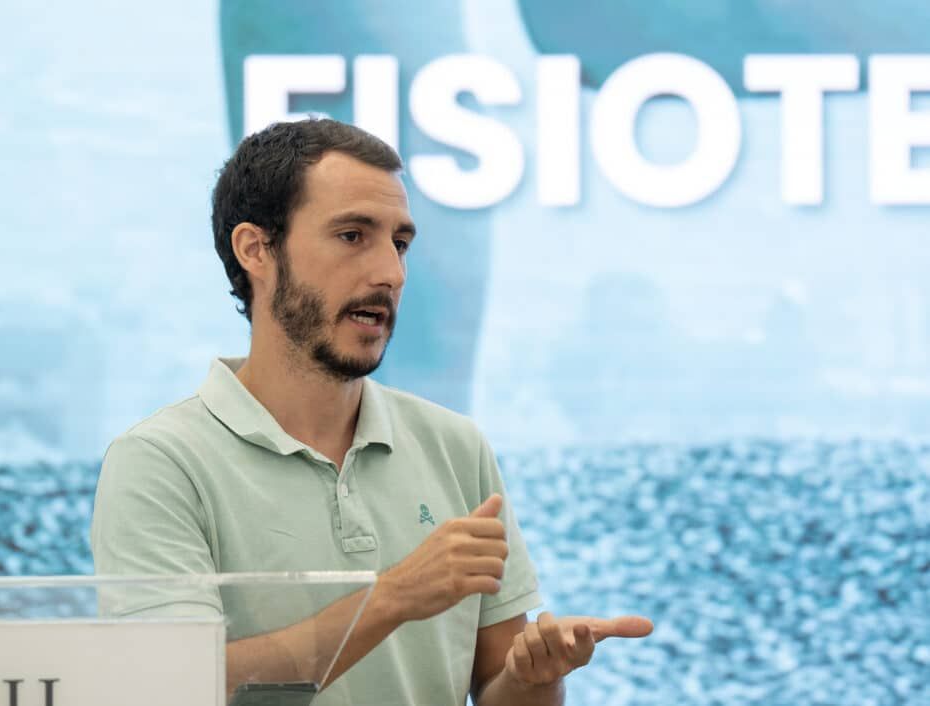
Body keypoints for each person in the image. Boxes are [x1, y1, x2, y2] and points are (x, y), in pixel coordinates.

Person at [91, 118, 653, 705]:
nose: (391, 273)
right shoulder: (159, 463)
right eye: (352, 235)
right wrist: (393, 598)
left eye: (399, 244)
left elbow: (497, 688)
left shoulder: (454, 445)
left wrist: (535, 678)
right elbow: (169, 686)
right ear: (255, 249)